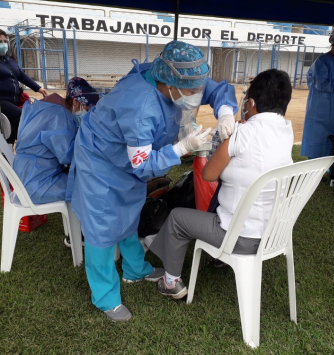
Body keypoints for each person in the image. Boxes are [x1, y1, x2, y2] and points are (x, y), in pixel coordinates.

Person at [68, 40, 238, 322]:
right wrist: (181, 148)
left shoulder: (173, 77)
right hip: (100, 159)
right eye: (192, 90)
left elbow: (213, 87)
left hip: (127, 157)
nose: (198, 94)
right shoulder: (140, 105)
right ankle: (105, 297)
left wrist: (225, 112)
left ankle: (135, 269)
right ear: (170, 84)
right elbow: (143, 164)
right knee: (101, 226)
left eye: (198, 88)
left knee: (129, 209)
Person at [148, 69, 294, 299]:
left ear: (251, 103)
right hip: (273, 233)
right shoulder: (287, 130)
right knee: (227, 197)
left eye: (245, 97)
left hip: (240, 237)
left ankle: (170, 282)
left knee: (177, 218)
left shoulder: (242, 133)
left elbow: (208, 174)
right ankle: (215, 258)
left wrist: (223, 139)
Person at [13, 77, 99, 205]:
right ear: (76, 103)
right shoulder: (60, 116)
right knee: (91, 187)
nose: (87, 116)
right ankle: (86, 224)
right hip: (37, 184)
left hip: (25, 177)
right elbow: (68, 156)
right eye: (87, 110)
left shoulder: (45, 108)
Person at [301, 23, 334, 159]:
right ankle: (315, 166)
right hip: (321, 113)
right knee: (319, 140)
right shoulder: (321, 62)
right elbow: (321, 83)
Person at [0, 29, 47, 144]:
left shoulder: (9, 60)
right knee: (21, 115)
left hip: (14, 100)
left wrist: (38, 88)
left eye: (5, 41)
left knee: (10, 129)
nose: (3, 44)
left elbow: (21, 75)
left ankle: (9, 150)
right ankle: (26, 144)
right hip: (2, 101)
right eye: (0, 41)